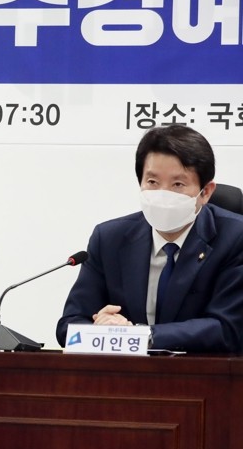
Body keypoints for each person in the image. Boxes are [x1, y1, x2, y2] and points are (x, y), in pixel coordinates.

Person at [57, 124, 243, 353]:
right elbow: (69, 325)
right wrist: (101, 330)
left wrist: (139, 335)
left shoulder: (235, 238)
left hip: (204, 374)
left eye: (177, 184)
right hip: (124, 375)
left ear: (205, 192)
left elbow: (228, 329)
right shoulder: (109, 239)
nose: (163, 194)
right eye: (153, 182)